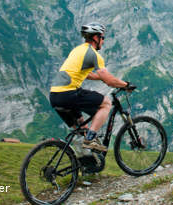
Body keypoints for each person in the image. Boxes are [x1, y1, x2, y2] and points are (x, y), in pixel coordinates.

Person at [49, 22, 131, 152]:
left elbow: (89, 75)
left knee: (83, 129)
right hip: (69, 94)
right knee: (106, 104)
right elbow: (109, 80)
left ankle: (84, 161)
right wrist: (126, 85)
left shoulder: (78, 50)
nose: (103, 41)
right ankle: (90, 139)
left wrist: (102, 78)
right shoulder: (93, 54)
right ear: (96, 38)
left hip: (54, 96)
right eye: (102, 38)